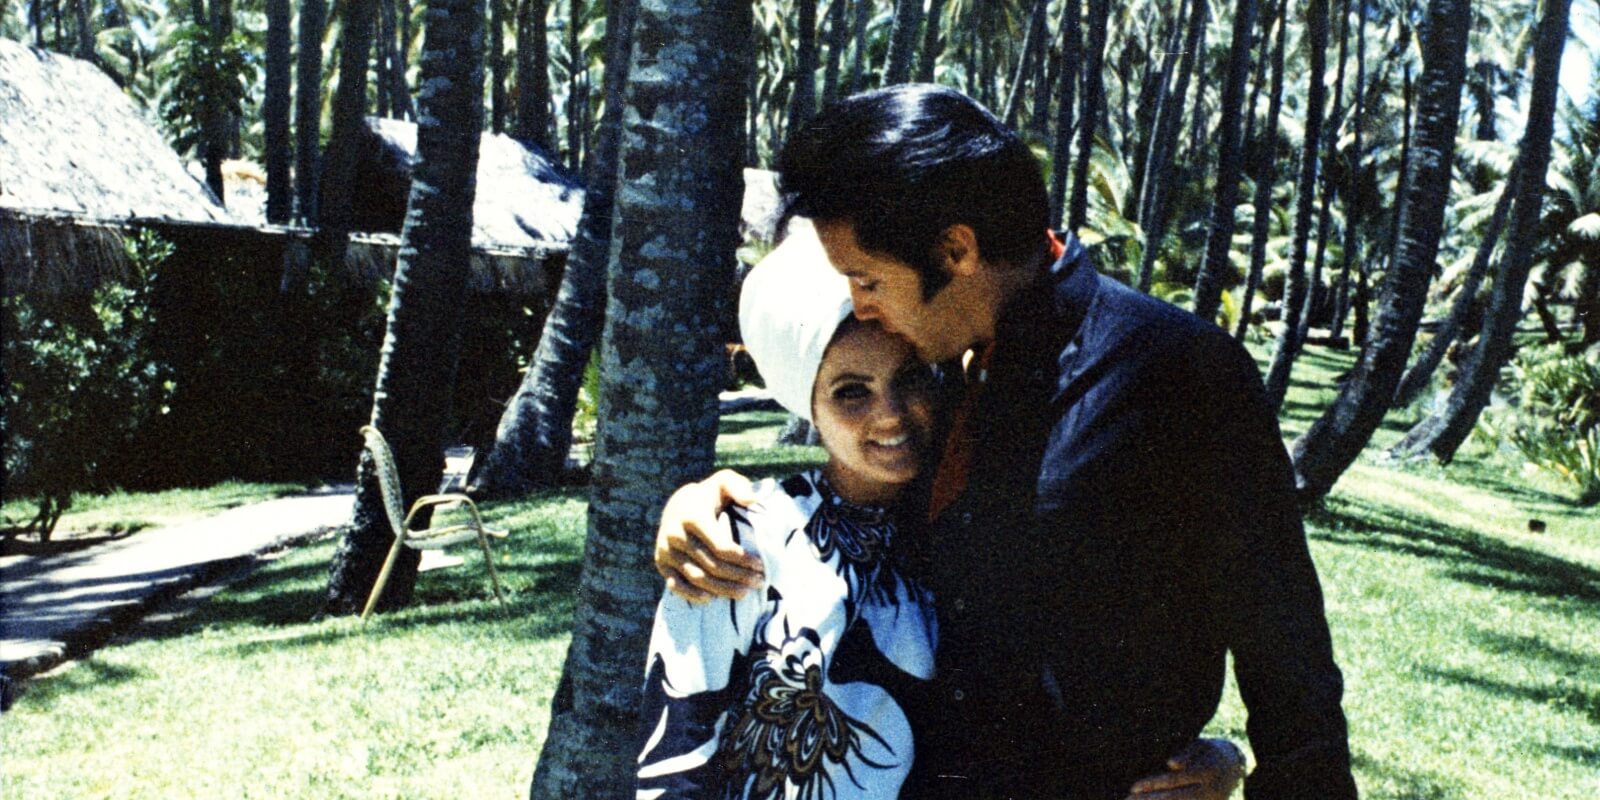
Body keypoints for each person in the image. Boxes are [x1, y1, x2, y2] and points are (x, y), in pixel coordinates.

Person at [655, 85, 1358, 800]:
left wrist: (1233, 763)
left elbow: (1287, 657)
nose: (859, 306)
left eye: (866, 280)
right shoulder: (940, 374)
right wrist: (704, 501)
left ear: (956, 249)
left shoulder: (1178, 372)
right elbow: (855, 517)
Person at [637, 223, 1246, 799]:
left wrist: (1214, 759)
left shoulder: (971, 522)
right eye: (851, 392)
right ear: (807, 405)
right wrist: (691, 498)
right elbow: (673, 757)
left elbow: (1090, 675)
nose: (891, 414)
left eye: (910, 378)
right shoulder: (738, 538)